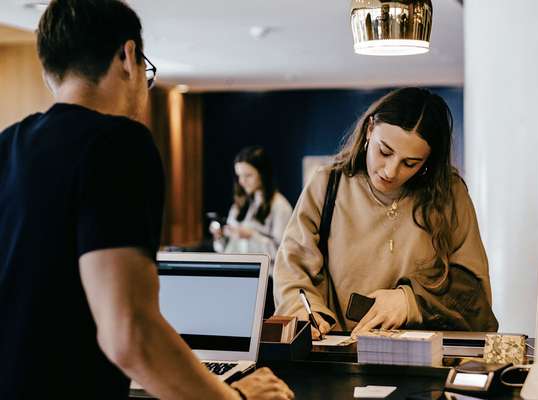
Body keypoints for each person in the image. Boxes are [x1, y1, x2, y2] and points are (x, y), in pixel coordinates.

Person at [0, 1, 293, 399]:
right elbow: (130, 331)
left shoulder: (7, 145)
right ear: (128, 55)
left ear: (48, 69)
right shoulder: (119, 142)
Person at [273, 88, 498, 340]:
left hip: (425, 358)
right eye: (385, 151)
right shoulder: (327, 184)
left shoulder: (449, 193)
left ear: (428, 162)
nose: (390, 172)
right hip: (339, 353)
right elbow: (292, 269)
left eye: (410, 163)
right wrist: (305, 313)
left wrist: (410, 302)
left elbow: (474, 293)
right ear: (370, 129)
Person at [211, 146, 293, 316]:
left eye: (248, 175)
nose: (242, 181)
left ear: (262, 174)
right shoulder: (240, 205)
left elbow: (283, 255)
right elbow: (226, 251)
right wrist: (220, 238)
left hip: (264, 283)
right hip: (236, 279)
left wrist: (251, 236)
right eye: (239, 176)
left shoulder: (280, 206)